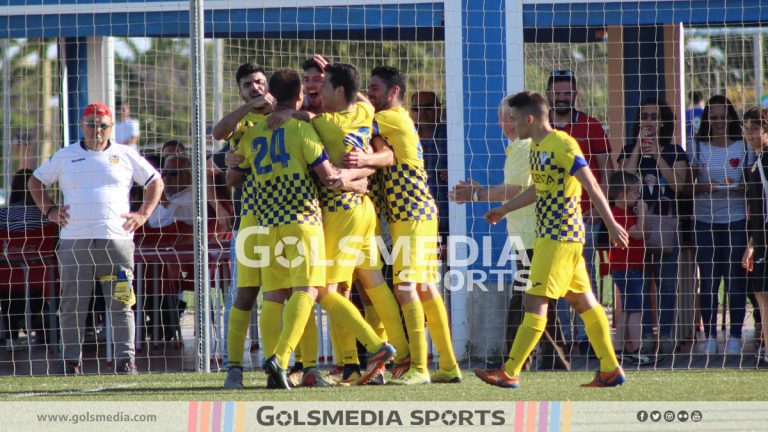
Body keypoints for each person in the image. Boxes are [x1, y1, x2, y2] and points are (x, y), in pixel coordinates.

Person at [226, 67, 395, 389]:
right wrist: (355, 181)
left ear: (271, 93)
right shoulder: (306, 130)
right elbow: (329, 175)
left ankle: (264, 367)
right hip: (304, 221)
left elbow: (232, 173)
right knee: (313, 290)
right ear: (301, 97)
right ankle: (300, 360)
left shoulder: (250, 132)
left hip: (264, 223)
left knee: (274, 296)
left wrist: (234, 162)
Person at [477, 91, 628, 389]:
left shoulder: (562, 143)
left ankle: (509, 371)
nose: (511, 123)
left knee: (534, 300)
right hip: (554, 236)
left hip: (560, 234)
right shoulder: (536, 147)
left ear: (530, 119)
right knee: (584, 302)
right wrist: (504, 210)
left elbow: (592, 183)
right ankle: (610, 368)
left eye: (515, 118)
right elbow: (538, 190)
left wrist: (612, 224)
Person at [28, 102, 163, 375]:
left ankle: (126, 361)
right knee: (72, 305)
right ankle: (70, 362)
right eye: (91, 124)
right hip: (74, 242)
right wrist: (51, 210)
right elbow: (35, 182)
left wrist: (143, 214)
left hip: (117, 242)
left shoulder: (125, 154)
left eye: (102, 125)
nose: (97, 130)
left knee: (122, 303)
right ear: (82, 125)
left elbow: (155, 182)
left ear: (111, 127)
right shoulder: (65, 156)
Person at [346, 66, 459, 384]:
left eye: (375, 88)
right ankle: (448, 365)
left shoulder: (391, 118)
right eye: (367, 88)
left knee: (406, 287)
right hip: (413, 214)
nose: (370, 95)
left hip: (411, 213)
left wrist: (347, 88)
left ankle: (419, 368)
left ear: (394, 91)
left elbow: (353, 122)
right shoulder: (392, 122)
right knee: (424, 288)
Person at [449, 95, 569, 371]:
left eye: (506, 117)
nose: (502, 123)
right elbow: (518, 189)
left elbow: (515, 190)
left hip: (533, 235)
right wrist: (491, 199)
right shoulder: (525, 146)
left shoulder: (523, 147)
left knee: (525, 300)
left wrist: (477, 195)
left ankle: (516, 364)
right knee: (536, 300)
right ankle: (552, 362)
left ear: (512, 119)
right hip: (533, 235)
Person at [546, 70, 612, 356]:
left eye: (567, 93)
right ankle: (565, 335)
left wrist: (603, 207)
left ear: (576, 95)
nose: (562, 97)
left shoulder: (591, 125)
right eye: (557, 92)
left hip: (586, 216)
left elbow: (606, 168)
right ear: (548, 94)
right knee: (555, 278)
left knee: (586, 276)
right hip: (550, 217)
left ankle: (588, 338)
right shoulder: (542, 127)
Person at [618, 97, 687, 354]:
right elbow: (622, 182)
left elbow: (678, 186)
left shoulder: (675, 151)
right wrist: (638, 147)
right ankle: (646, 335)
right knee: (641, 283)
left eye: (654, 116)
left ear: (663, 121)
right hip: (636, 226)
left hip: (666, 224)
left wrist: (656, 153)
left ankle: (667, 334)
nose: (649, 121)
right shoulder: (628, 150)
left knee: (667, 284)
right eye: (644, 116)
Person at [688, 95, 750, 355]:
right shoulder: (697, 146)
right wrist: (706, 186)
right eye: (712, 117)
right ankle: (710, 335)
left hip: (735, 220)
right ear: (707, 120)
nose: (718, 122)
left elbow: (751, 185)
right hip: (704, 221)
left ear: (730, 118)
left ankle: (735, 335)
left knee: (735, 279)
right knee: (710, 280)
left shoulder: (743, 146)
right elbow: (687, 186)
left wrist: (739, 188)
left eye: (722, 116)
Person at [606, 171, 650, 365]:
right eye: (635, 194)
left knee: (626, 310)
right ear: (622, 196)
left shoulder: (617, 213)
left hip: (621, 267)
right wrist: (642, 214)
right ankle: (637, 350)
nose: (638, 197)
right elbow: (639, 234)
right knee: (636, 311)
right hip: (629, 268)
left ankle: (619, 348)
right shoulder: (621, 214)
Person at [741, 107, 768, 366]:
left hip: (765, 236)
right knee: (760, 293)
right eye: (745, 128)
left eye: (753, 128)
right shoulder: (755, 163)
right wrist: (751, 244)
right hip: (760, 238)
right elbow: (757, 210)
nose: (748, 133)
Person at [410, 91, 449, 240]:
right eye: (416, 109)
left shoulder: (451, 134)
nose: (422, 113)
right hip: (415, 215)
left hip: (447, 214)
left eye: (427, 107)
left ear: (439, 108)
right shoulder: (406, 135)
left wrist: (455, 172)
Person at [147, 153, 194, 228]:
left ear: (188, 176)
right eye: (164, 173)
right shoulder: (170, 194)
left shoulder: (193, 196)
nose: (167, 178)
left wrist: (163, 201)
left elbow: (187, 218)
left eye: (173, 173)